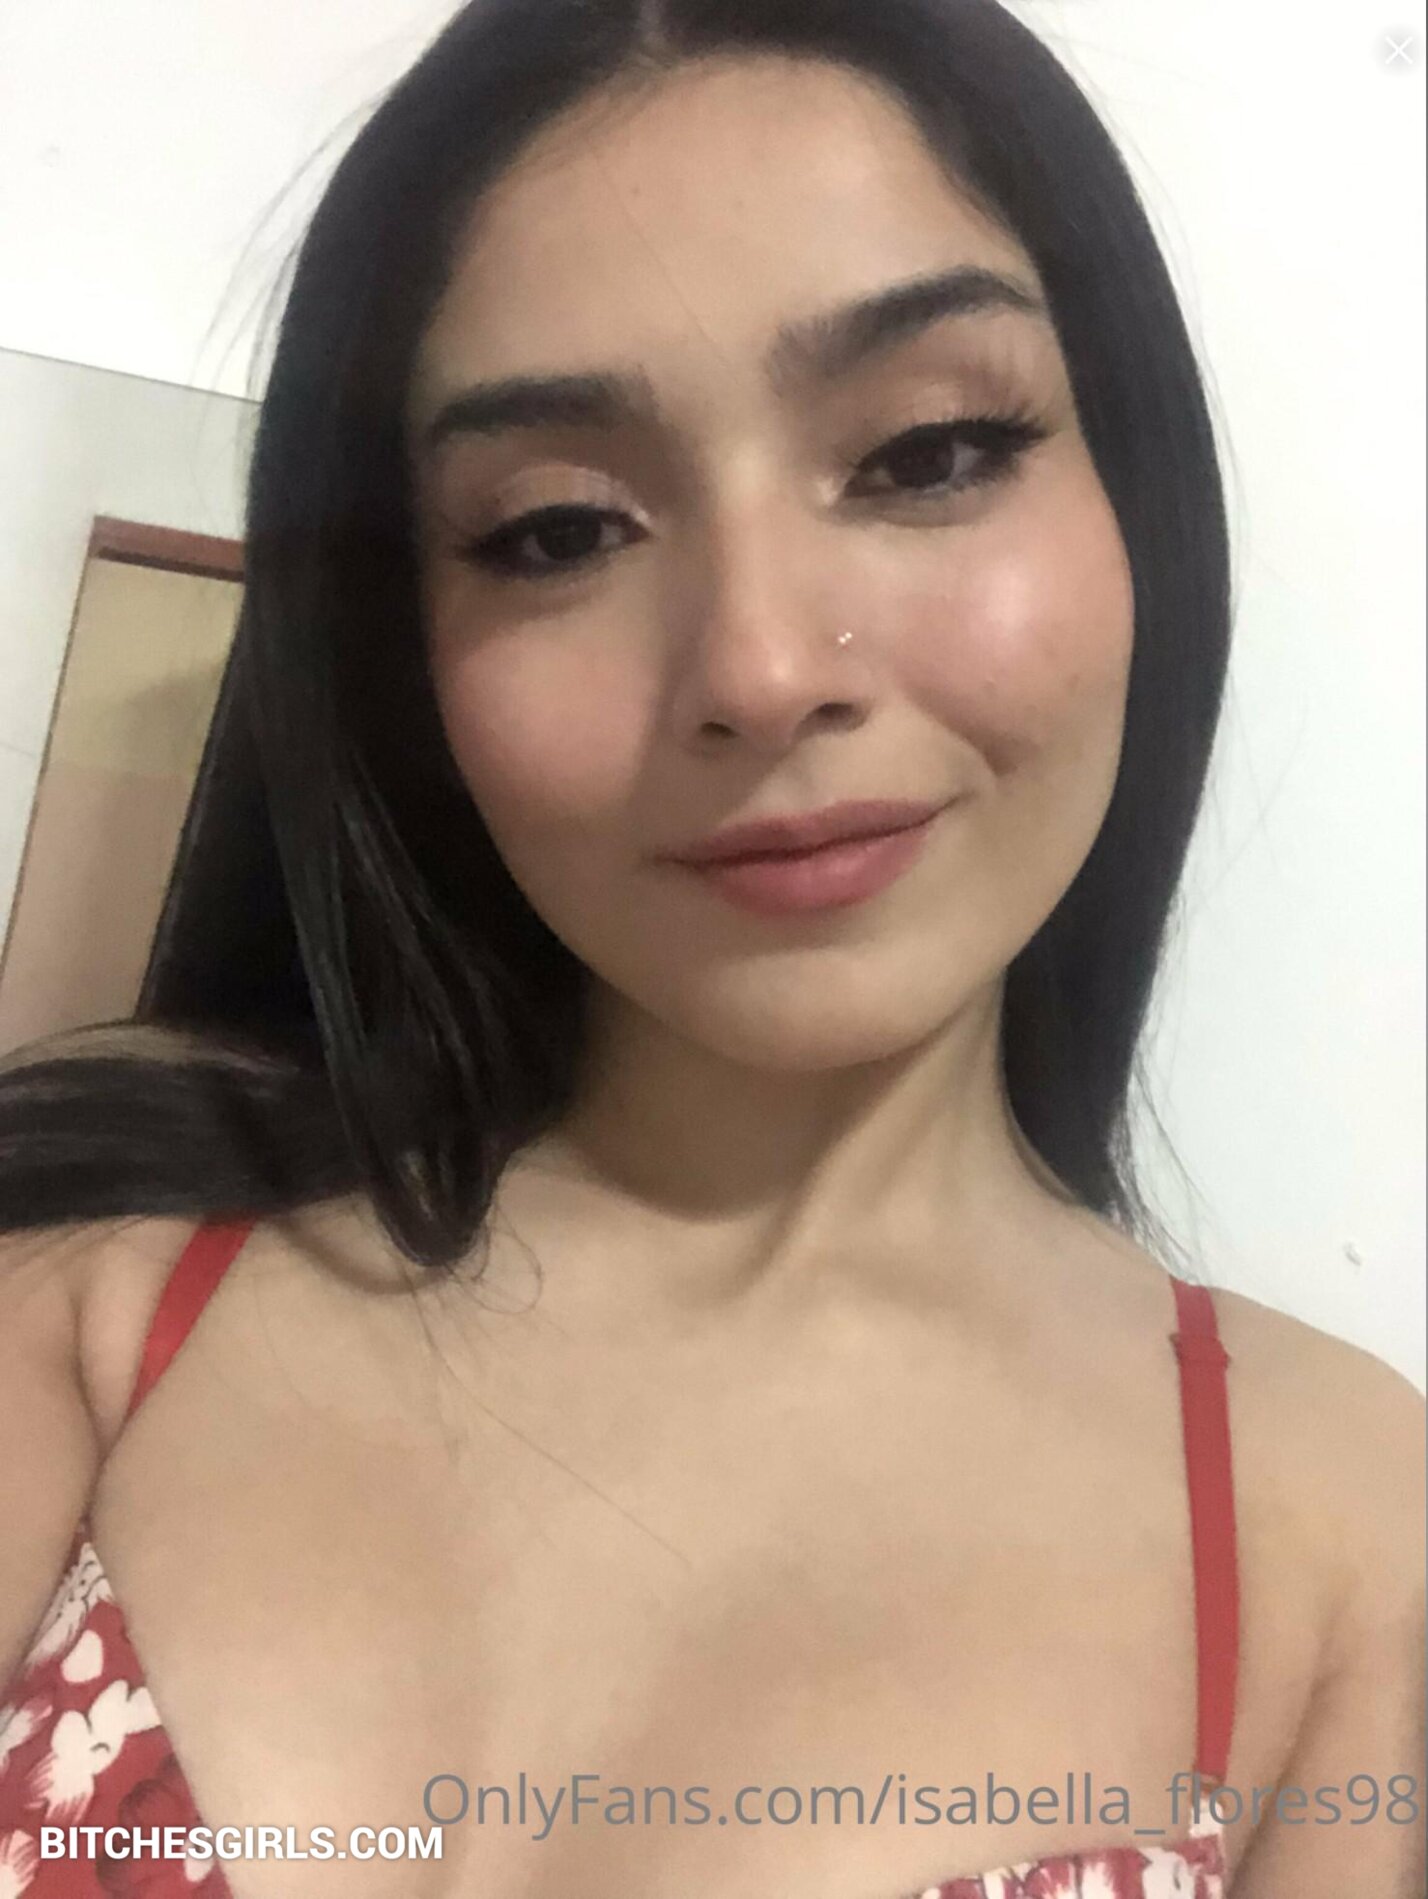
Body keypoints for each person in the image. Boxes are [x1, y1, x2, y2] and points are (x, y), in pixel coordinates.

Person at [1, 1, 1422, 1894]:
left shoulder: (1344, 1543)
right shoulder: (86, 1279)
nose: (756, 665)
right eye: (557, 531)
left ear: (1138, 502)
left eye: (927, 451)